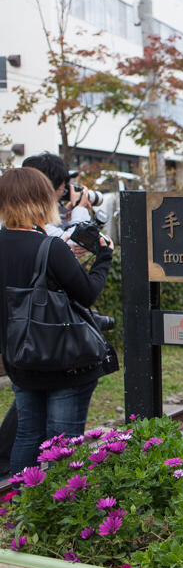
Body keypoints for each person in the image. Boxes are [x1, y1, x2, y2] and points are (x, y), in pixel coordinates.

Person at [0, 168, 114, 473]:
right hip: (64, 361)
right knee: (62, 443)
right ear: (42, 200)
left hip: (19, 359)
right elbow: (86, 293)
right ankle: (59, 511)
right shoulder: (50, 247)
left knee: (27, 433)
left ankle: (24, 505)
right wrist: (103, 258)